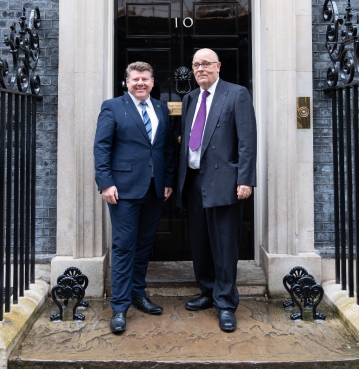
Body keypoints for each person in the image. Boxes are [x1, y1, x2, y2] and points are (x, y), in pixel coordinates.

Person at [176, 48, 257, 332]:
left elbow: (247, 141)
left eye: (206, 64)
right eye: (196, 64)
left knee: (224, 244)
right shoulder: (190, 99)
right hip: (194, 181)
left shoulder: (237, 94)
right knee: (200, 242)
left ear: (218, 66)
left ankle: (225, 303)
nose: (200, 69)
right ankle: (208, 291)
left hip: (225, 182)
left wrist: (245, 180)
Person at [94, 61, 174, 334]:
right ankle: (119, 306)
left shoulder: (162, 108)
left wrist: (168, 182)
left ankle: (138, 295)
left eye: (145, 79)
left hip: (154, 190)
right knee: (124, 246)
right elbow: (102, 147)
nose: (140, 83)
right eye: (135, 79)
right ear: (126, 82)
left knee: (143, 246)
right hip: (123, 190)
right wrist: (105, 183)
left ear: (152, 82)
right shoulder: (112, 106)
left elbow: (166, 149)